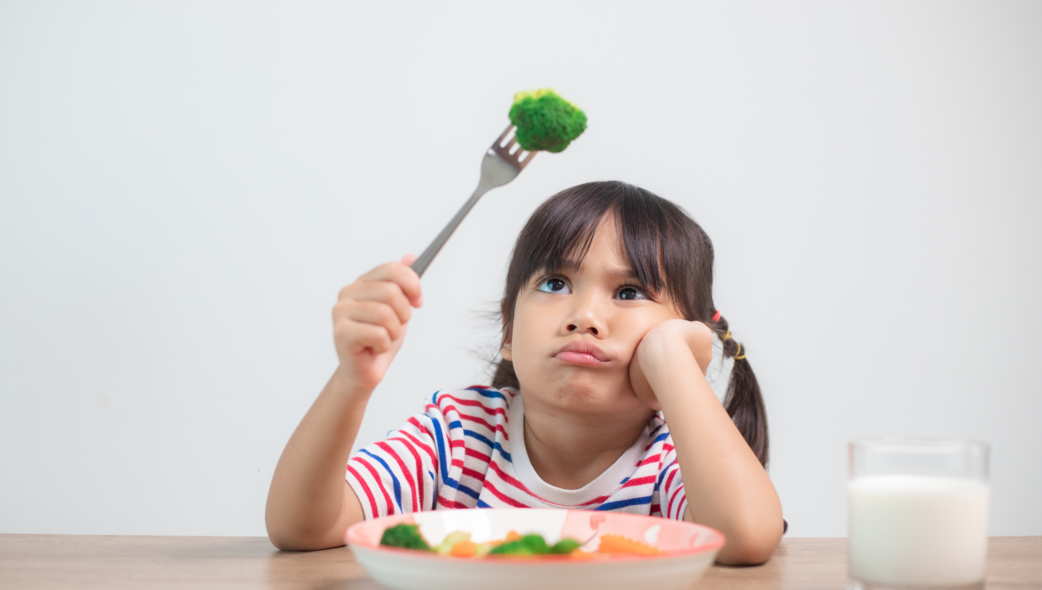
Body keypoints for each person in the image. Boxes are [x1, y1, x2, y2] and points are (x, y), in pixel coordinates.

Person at [265, 181, 784, 564]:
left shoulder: (673, 459)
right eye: (556, 283)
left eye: (629, 293)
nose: (585, 316)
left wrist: (674, 363)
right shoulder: (458, 434)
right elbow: (303, 527)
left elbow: (745, 537)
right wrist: (352, 384)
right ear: (509, 330)